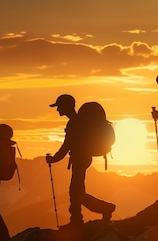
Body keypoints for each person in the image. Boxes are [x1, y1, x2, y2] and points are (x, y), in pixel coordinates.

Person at [45, 94, 116, 228]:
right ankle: (87, 215)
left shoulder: (74, 123)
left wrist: (53, 159)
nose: (57, 109)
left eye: (59, 106)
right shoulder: (79, 122)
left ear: (66, 106)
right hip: (83, 158)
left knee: (75, 191)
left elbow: (66, 146)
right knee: (77, 192)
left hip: (80, 158)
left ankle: (90, 215)